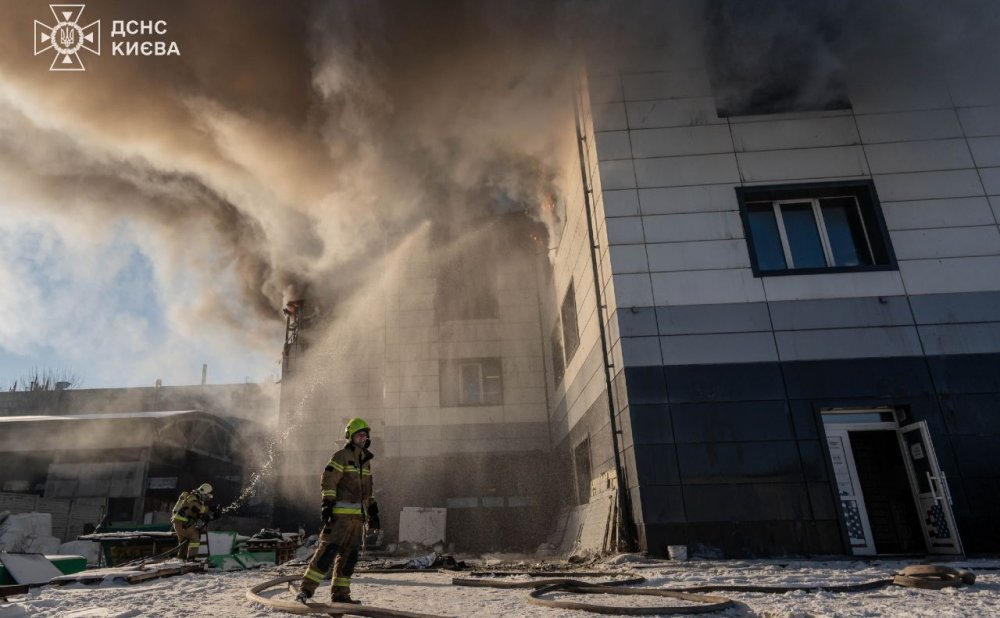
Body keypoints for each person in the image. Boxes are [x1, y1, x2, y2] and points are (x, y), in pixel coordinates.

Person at [297, 417, 380, 605]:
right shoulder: (341, 456)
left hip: (357, 521)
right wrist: (327, 504)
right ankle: (305, 591)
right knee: (327, 554)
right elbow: (329, 480)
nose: (362, 439)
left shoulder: (365, 462)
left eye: (364, 436)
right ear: (350, 436)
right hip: (339, 519)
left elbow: (368, 491)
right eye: (359, 435)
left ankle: (341, 595)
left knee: (349, 559)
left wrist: (373, 511)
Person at [171, 482, 220, 560]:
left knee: (184, 544)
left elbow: (199, 515)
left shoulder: (197, 500)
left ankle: (180, 560)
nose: (206, 498)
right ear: (203, 492)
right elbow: (196, 508)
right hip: (183, 523)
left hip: (181, 523)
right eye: (206, 496)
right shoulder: (192, 498)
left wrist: (212, 516)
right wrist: (210, 508)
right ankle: (191, 558)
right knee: (195, 537)